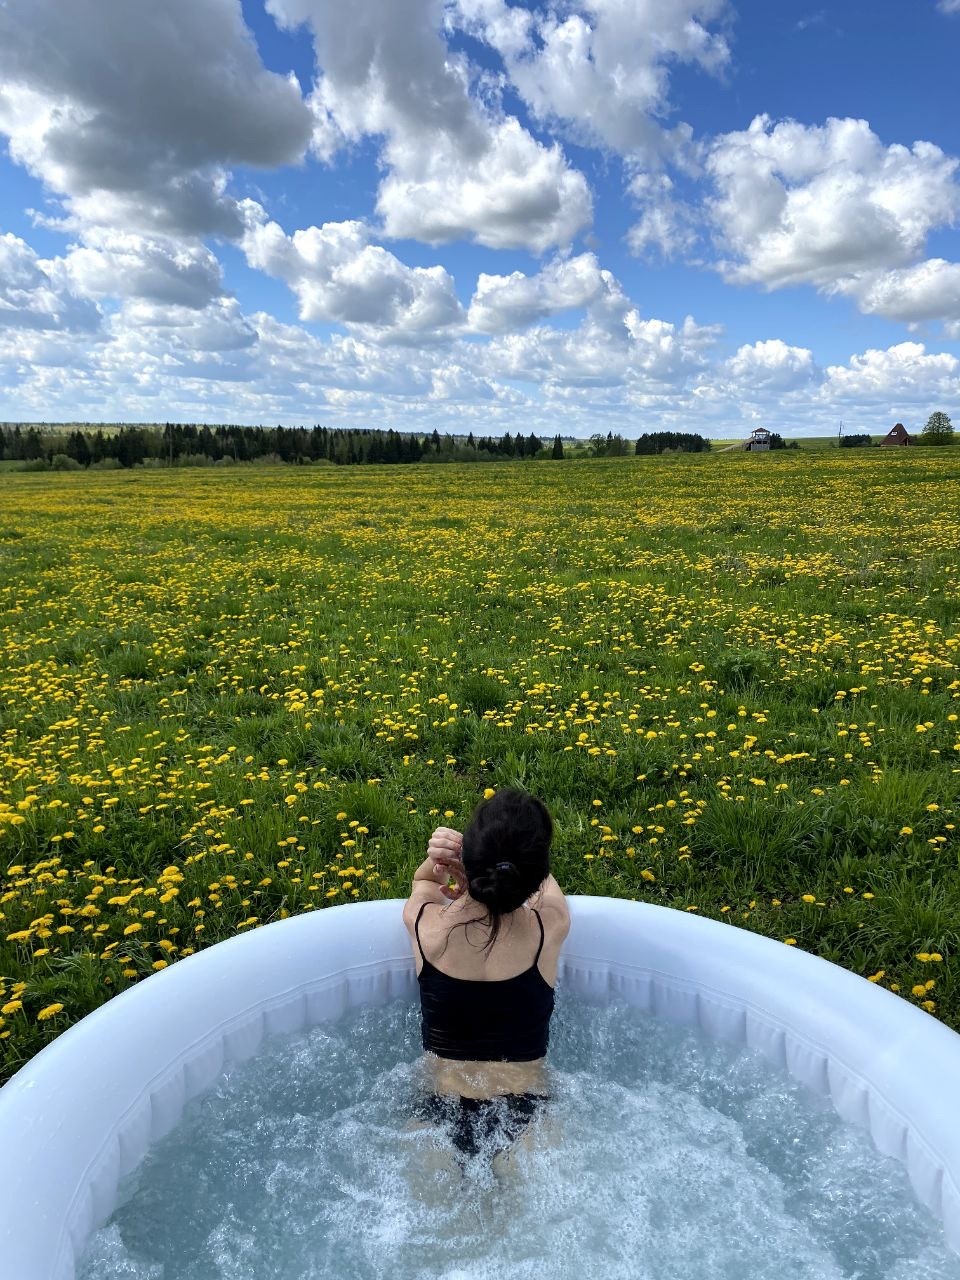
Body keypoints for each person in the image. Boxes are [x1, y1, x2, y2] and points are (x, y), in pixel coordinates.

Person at [402, 788, 570, 1165]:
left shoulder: (426, 928)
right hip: (526, 1118)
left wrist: (441, 858)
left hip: (437, 1112)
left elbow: (423, 883)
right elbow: (543, 884)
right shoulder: (550, 928)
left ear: (470, 857)